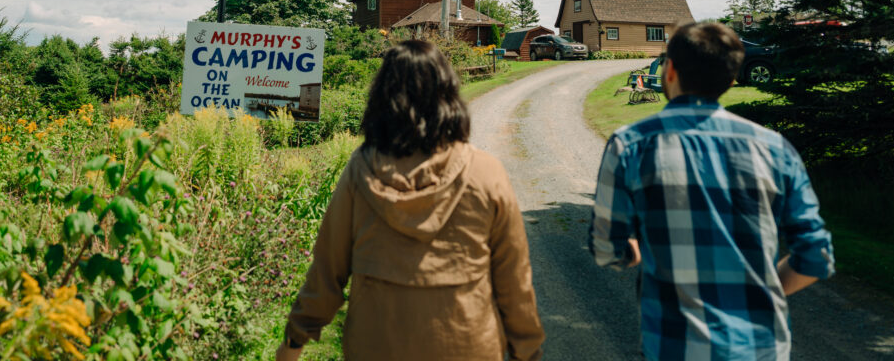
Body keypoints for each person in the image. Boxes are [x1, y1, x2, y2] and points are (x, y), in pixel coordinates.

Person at [277, 39, 545, 361]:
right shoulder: (486, 173)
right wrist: (526, 350)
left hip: (377, 344)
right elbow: (514, 279)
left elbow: (327, 269)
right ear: (448, 97)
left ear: (383, 97)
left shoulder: (360, 171)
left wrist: (295, 339)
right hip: (467, 344)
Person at [589, 21, 834, 360]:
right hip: (761, 349)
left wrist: (639, 248)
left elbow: (607, 250)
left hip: (674, 347)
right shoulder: (775, 149)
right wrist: (760, 290)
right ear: (731, 79)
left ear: (669, 70)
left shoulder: (630, 145)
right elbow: (815, 255)